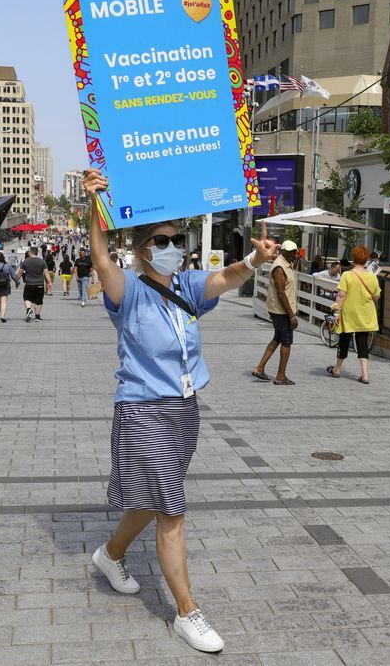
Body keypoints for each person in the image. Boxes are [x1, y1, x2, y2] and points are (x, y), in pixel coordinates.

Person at [81, 168, 280, 654]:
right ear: (145, 248)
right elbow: (101, 257)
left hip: (184, 411)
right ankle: (187, 613)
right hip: (142, 411)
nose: (175, 246)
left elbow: (227, 277)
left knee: (150, 501)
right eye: (164, 240)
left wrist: (255, 258)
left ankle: (110, 555)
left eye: (178, 239)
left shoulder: (187, 287)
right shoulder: (126, 291)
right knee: (171, 509)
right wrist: (95, 205)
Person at [326, 246, 381, 384]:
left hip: (349, 314)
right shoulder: (372, 276)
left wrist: (337, 312)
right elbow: (376, 296)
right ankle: (365, 374)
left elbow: (341, 296)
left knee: (344, 340)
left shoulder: (347, 275)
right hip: (365, 314)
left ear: (354, 258)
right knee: (362, 342)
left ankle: (337, 369)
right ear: (366, 259)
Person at [252, 240, 300, 385]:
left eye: (295, 252)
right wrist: (291, 316)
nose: (293, 254)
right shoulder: (279, 266)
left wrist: (295, 261)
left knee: (277, 338)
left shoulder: (286, 263)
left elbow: (290, 277)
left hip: (281, 309)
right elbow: (281, 293)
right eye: (291, 252)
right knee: (286, 342)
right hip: (281, 310)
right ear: (282, 251)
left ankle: (259, 368)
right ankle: (280, 376)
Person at [18, 246, 53, 321]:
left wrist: (16, 280)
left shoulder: (25, 261)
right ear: (37, 253)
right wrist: (49, 282)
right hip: (40, 284)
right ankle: (37, 317)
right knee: (38, 300)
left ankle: (28, 309)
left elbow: (20, 273)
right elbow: (46, 273)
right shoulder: (42, 261)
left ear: (30, 253)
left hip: (29, 284)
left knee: (27, 298)